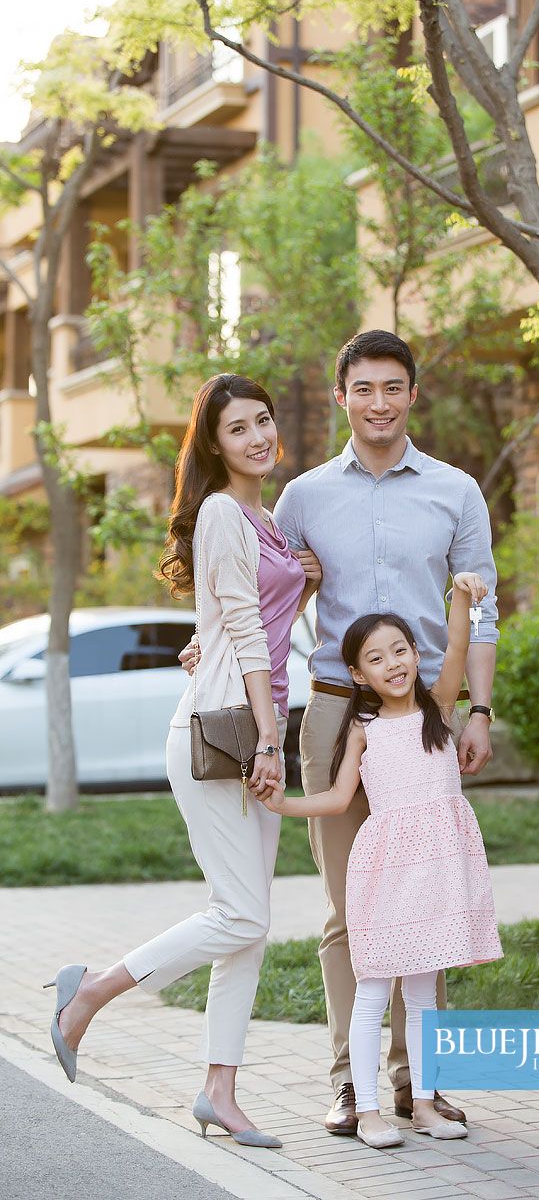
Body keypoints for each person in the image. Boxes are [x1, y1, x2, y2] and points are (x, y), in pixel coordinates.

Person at [184, 330, 499, 1133]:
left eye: (393, 387)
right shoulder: (301, 495)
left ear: (412, 395)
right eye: (364, 388)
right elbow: (259, 591)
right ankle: (349, 1081)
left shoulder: (457, 490)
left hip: (424, 711)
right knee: (348, 905)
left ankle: (413, 1085)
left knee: (422, 900)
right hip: (330, 705)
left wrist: (479, 710)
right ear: (340, 397)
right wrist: (205, 638)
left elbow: (483, 610)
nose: (379, 402)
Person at [45, 374, 319, 1148]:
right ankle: (91, 994)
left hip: (240, 712)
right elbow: (240, 626)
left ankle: (218, 1092)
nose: (259, 436)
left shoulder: (262, 514)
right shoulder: (222, 513)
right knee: (241, 910)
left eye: (263, 420)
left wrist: (300, 586)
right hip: (219, 727)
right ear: (213, 444)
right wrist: (270, 738)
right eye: (239, 429)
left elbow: (253, 618)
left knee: (247, 926)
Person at [257, 572, 502, 1148]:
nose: (393, 664)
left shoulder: (440, 710)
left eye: (401, 650)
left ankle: (422, 1105)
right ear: (358, 674)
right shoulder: (362, 730)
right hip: (386, 873)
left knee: (422, 994)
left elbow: (461, 645)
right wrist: (282, 803)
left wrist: (461, 597)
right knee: (372, 992)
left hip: (438, 870)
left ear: (417, 655)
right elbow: (338, 799)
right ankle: (366, 1109)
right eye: (376, 658)